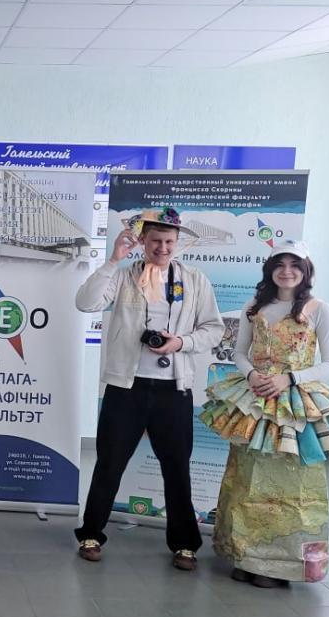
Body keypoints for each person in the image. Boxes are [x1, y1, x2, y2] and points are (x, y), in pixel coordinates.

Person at [204, 241, 329, 587]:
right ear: (270, 269)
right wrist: (251, 376)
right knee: (245, 476)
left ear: (305, 271)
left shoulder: (320, 309)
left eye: (294, 265)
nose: (286, 271)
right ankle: (245, 556)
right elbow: (239, 352)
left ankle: (282, 566)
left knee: (292, 481)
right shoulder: (254, 306)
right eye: (280, 264)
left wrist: (289, 379)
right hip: (256, 399)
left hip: (295, 404)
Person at [75, 207, 224, 570]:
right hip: (126, 387)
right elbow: (85, 302)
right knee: (110, 463)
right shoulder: (124, 276)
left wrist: (181, 343)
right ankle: (91, 534)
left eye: (169, 242)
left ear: (178, 242)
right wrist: (113, 260)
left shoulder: (194, 280)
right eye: (155, 241)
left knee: (177, 468)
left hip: (174, 389)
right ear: (142, 241)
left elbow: (214, 329)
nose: (163, 248)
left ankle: (185, 544)